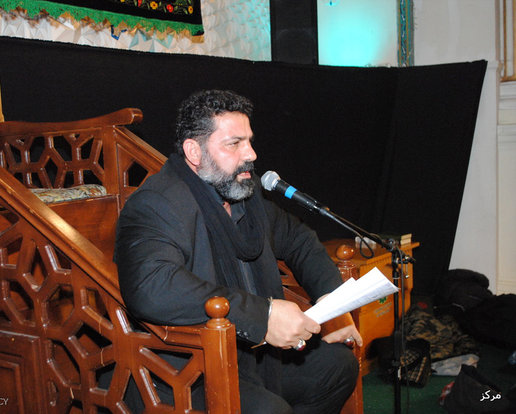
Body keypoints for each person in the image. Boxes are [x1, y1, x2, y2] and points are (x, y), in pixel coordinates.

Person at [114, 89, 362, 413]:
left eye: (249, 140)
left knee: (338, 367)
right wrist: (264, 315)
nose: (251, 154)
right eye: (234, 143)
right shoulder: (157, 203)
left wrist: (332, 300)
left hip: (252, 353)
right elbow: (152, 287)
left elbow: (298, 238)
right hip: (188, 368)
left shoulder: (244, 193)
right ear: (194, 151)